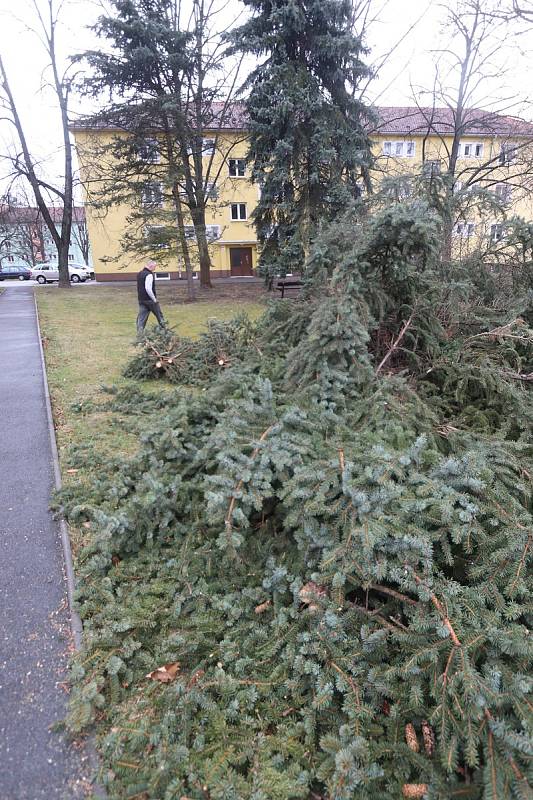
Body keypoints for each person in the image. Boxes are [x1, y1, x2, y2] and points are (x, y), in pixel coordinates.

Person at [136, 260, 166, 335]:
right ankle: (165, 332)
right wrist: (154, 299)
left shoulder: (140, 274)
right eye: (154, 267)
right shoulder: (149, 275)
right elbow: (148, 288)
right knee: (159, 316)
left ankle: (140, 334)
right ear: (151, 266)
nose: (155, 269)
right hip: (150, 300)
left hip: (141, 300)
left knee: (141, 318)